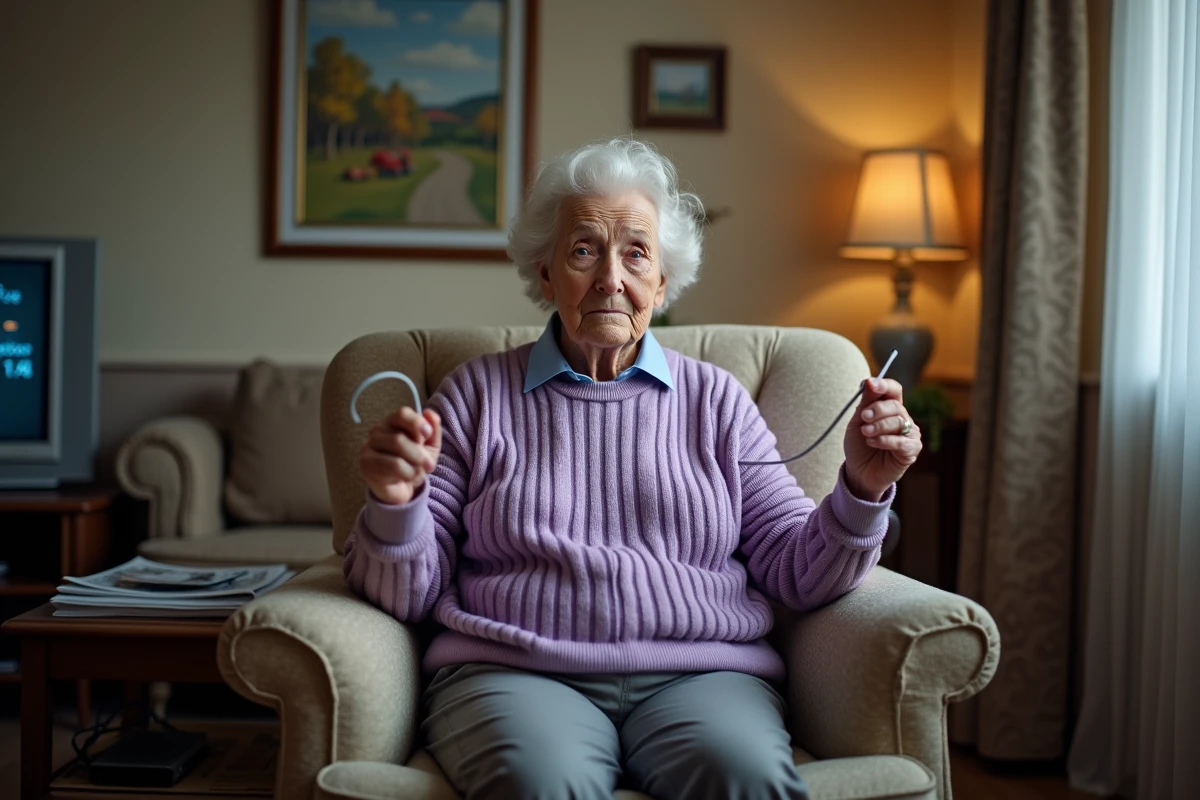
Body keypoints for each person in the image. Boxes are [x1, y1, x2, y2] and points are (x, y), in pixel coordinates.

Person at [345, 138, 923, 800]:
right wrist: (394, 505)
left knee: (746, 778)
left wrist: (864, 487)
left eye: (636, 253)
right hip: (516, 672)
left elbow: (798, 572)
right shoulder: (476, 396)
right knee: (541, 783)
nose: (610, 279)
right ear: (545, 273)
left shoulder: (716, 400)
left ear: (663, 281)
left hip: (702, 677)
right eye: (584, 249)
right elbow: (408, 596)